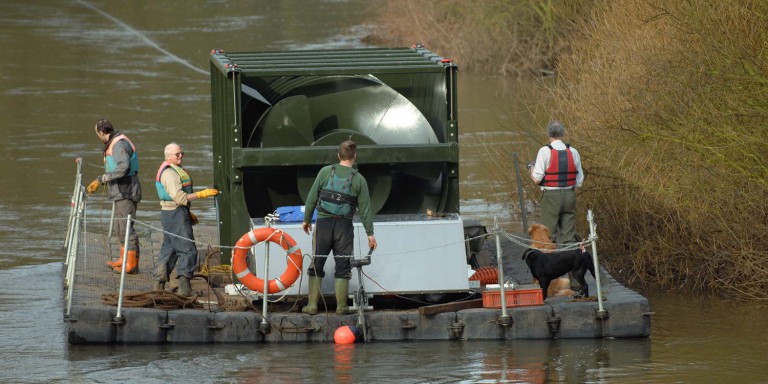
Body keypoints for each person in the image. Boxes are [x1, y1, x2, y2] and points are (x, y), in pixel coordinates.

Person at [301, 140, 377, 314]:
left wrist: (306, 220)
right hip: (344, 227)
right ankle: (341, 307)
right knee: (343, 266)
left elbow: (312, 197)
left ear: (338, 156)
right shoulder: (359, 179)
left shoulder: (325, 172)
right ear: (354, 157)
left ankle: (312, 306)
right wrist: (370, 234)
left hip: (323, 225)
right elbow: (365, 210)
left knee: (317, 262)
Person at [153, 142, 218, 295]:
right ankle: (184, 289)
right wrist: (203, 194)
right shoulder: (169, 173)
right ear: (168, 156)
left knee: (169, 250)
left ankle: (158, 287)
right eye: (177, 154)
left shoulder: (174, 169)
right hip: (175, 213)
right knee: (188, 250)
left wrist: (187, 212)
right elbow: (180, 198)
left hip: (171, 213)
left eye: (182, 153)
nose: (181, 156)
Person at [87, 119, 142, 274]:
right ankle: (123, 260)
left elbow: (124, 167)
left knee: (126, 228)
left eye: (97, 133)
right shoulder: (114, 142)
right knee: (119, 228)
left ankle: (131, 266)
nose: (98, 136)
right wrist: (101, 180)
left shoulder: (119, 144)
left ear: (102, 132)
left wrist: (103, 178)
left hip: (127, 191)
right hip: (118, 192)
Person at [529, 120, 585, 245]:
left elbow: (537, 179)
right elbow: (580, 180)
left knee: (548, 235)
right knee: (569, 236)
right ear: (563, 133)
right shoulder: (573, 151)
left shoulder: (544, 151)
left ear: (548, 133)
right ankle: (571, 261)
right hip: (569, 195)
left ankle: (551, 262)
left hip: (551, 197)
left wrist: (531, 168)